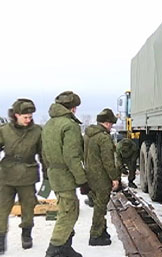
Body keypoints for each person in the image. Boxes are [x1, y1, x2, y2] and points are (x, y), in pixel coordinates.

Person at [42, 91, 89, 257]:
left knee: (66, 209)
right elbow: (72, 157)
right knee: (68, 212)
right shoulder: (70, 126)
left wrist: (49, 172)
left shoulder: (49, 124)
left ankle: (65, 246)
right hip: (65, 175)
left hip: (54, 174)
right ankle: (55, 249)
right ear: (73, 108)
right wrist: (83, 181)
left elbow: (44, 154)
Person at [0, 99, 46, 254]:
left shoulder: (37, 131)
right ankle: (1, 239)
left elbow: (43, 154)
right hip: (6, 175)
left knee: (28, 208)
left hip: (28, 175)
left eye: (30, 116)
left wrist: (47, 173)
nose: (28, 120)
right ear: (16, 115)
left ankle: (26, 235)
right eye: (25, 117)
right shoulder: (4, 130)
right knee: (2, 209)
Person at [84, 108, 120, 246]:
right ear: (107, 123)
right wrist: (114, 178)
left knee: (98, 204)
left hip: (90, 175)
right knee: (100, 206)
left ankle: (102, 230)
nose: (112, 126)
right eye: (111, 123)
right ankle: (95, 235)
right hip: (101, 177)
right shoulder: (103, 138)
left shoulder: (88, 135)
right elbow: (108, 161)